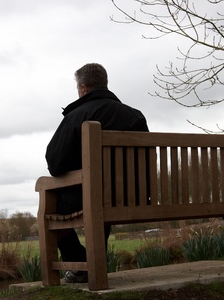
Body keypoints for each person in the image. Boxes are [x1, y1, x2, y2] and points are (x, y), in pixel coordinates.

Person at [45, 63, 148, 283]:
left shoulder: (75, 117)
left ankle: (81, 263)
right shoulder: (136, 117)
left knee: (53, 208)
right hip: (133, 197)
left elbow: (55, 164)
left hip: (88, 197)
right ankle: (91, 262)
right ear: (104, 84)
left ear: (83, 88)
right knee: (104, 197)